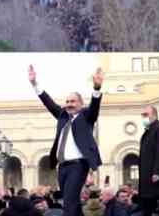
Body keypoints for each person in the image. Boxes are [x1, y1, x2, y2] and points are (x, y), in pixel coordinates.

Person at [29, 65, 104, 216]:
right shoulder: (62, 117)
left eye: (73, 101)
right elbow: (48, 103)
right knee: (72, 204)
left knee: (69, 203)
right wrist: (35, 84)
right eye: (68, 101)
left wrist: (96, 88)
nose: (69, 104)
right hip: (62, 167)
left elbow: (95, 107)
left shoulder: (86, 117)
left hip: (78, 165)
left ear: (81, 104)